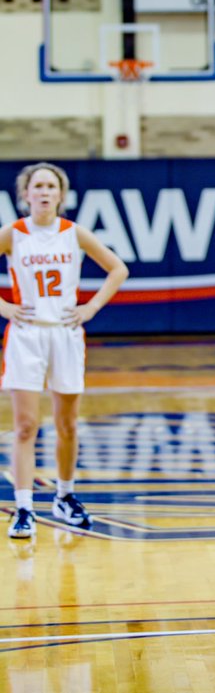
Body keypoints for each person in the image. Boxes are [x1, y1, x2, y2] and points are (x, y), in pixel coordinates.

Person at [1, 162, 129, 540]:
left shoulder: (74, 233)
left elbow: (117, 269)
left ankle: (65, 496)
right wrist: (4, 307)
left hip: (66, 335)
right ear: (25, 194)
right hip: (26, 335)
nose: (43, 192)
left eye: (50, 187)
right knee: (25, 426)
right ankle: (24, 507)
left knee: (67, 425)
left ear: (61, 195)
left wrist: (90, 308)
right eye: (37, 186)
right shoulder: (14, 233)